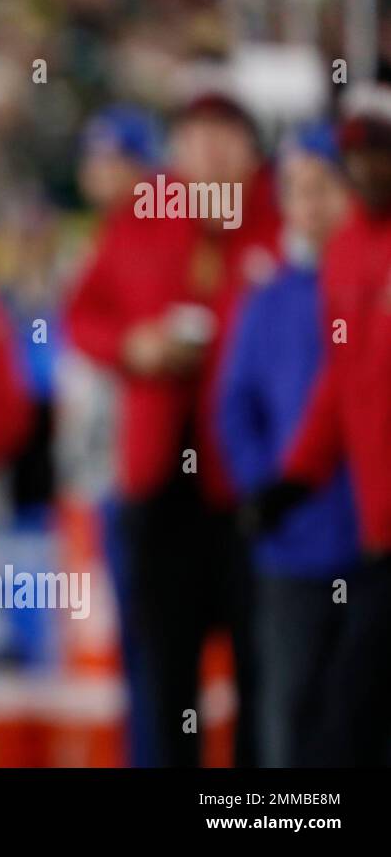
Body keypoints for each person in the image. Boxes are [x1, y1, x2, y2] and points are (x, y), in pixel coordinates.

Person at [64, 91, 281, 766]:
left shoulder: (283, 219)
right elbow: (82, 315)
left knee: (264, 669)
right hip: (157, 477)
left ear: (252, 152)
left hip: (257, 485)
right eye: (195, 138)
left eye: (225, 138)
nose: (209, 154)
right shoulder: (144, 214)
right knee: (160, 671)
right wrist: (136, 347)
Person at [247, 83, 391, 766]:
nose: (368, 169)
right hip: (376, 529)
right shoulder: (349, 252)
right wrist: (295, 478)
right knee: (345, 717)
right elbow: (343, 381)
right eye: (356, 155)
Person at [215, 122, 359, 766]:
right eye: (296, 190)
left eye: (324, 187)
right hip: (292, 544)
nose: (311, 205)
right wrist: (264, 486)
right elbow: (236, 404)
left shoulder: (370, 287)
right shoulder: (269, 300)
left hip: (369, 544)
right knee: (291, 715)